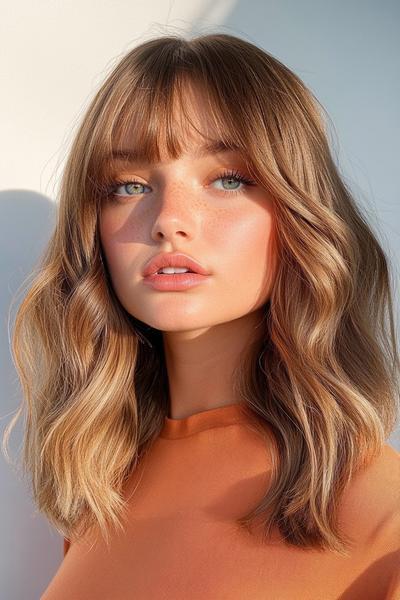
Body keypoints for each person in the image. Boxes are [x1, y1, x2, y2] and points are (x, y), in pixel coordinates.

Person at [3, 32, 399, 599]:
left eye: (228, 179)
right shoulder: (101, 504)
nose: (168, 220)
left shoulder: (380, 524)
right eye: (129, 185)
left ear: (300, 214)